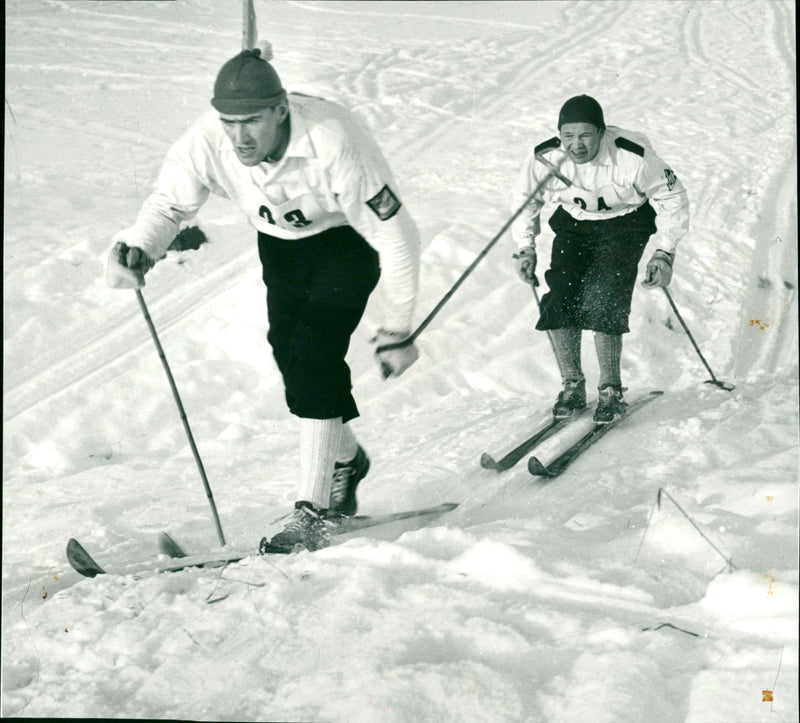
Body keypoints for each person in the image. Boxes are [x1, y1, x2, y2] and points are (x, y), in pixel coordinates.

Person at [105, 44, 421, 551]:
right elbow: (169, 202)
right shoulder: (209, 138)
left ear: (280, 111)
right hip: (282, 247)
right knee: (291, 359)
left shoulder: (332, 139)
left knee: (317, 353)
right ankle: (344, 458)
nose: (239, 137)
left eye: (251, 122)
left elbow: (396, 234)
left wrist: (397, 327)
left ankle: (312, 511)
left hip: (347, 242)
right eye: (229, 123)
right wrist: (142, 245)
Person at [511, 94, 689, 423]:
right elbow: (525, 202)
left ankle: (610, 389)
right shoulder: (546, 158)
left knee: (604, 297)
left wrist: (665, 252)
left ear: (601, 132)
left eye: (585, 136)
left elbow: (672, 196)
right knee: (561, 296)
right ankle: (572, 386)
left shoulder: (631, 157)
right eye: (568, 136)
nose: (576, 145)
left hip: (624, 225)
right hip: (575, 225)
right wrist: (525, 248)